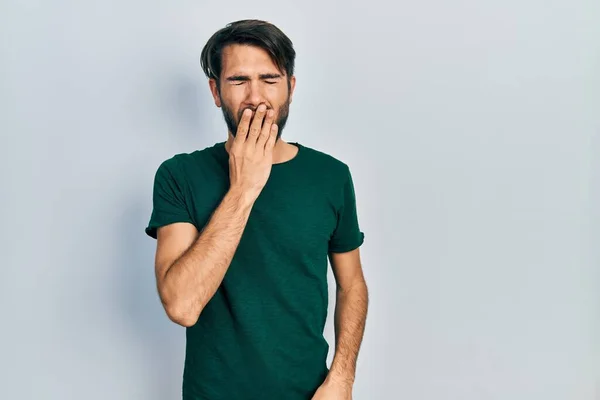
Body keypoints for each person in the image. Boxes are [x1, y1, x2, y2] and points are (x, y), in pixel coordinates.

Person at [145, 19, 368, 400]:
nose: (256, 97)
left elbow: (352, 284)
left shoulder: (331, 176)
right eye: (238, 81)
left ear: (290, 89)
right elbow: (182, 305)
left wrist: (342, 377)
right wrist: (245, 187)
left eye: (269, 79)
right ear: (215, 91)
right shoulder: (179, 175)